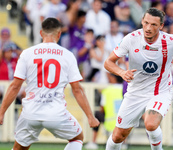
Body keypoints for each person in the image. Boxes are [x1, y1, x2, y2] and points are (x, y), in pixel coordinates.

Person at [104, 8, 173, 150]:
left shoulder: (171, 41)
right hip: (135, 92)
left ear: (161, 26)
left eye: (153, 25)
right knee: (118, 136)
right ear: (142, 21)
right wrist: (122, 72)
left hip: (160, 92)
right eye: (146, 23)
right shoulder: (131, 39)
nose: (148, 28)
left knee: (151, 124)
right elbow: (108, 62)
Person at [0, 18, 99, 150]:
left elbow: (14, 86)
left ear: (41, 33)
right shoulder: (67, 55)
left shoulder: (27, 53)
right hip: (56, 113)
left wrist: (1, 112)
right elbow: (77, 90)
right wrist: (90, 116)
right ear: (59, 34)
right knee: (77, 138)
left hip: (30, 112)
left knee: (19, 148)